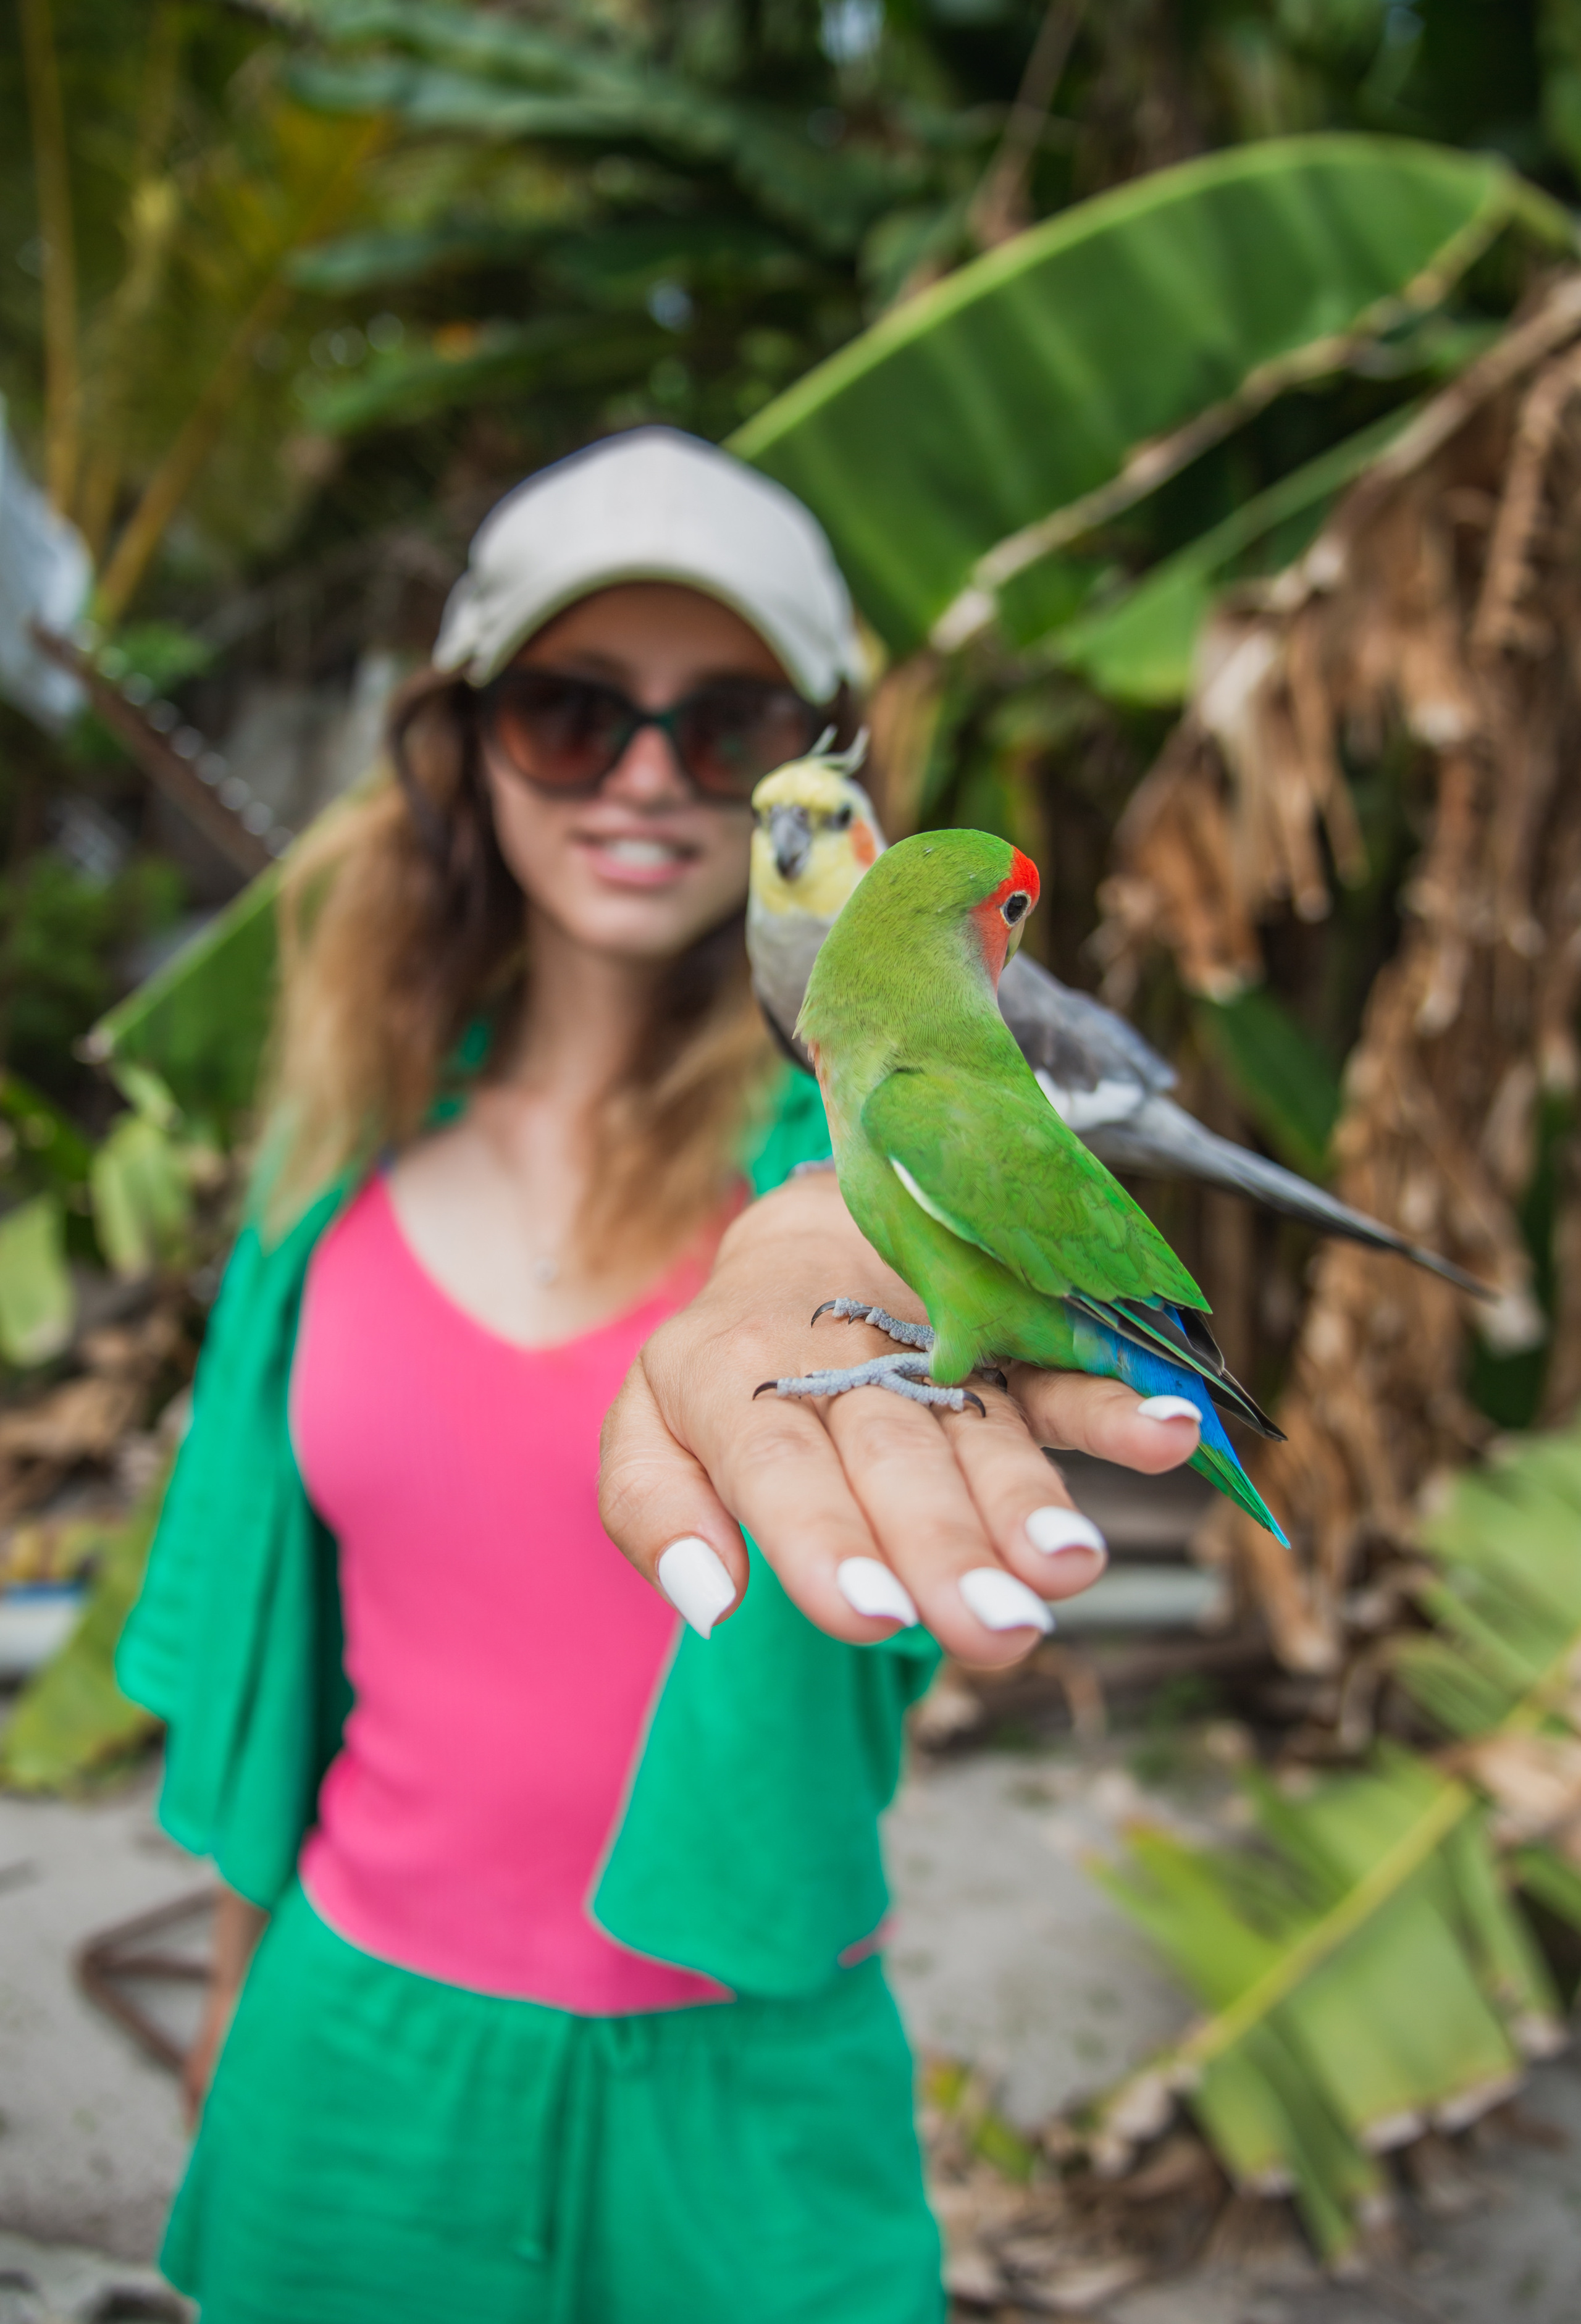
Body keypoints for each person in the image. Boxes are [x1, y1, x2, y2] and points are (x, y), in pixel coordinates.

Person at [118, 427, 1208, 2324]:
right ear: (461, 743)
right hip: (346, 2067)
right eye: (569, 711)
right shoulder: (320, 1195)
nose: (648, 779)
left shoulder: (871, 1145)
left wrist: (817, 1252)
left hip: (757, 2108)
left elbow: (843, 1230)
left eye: (727, 728)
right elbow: (260, 1674)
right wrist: (234, 2019)